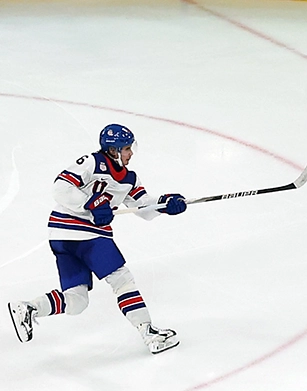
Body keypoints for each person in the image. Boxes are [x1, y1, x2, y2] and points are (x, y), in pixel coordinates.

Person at [8, 124, 188, 354]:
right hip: (84, 233)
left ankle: (30, 308)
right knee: (122, 279)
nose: (130, 153)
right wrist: (89, 203)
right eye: (126, 149)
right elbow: (61, 187)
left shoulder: (130, 179)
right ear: (113, 150)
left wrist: (165, 204)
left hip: (62, 237)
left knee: (77, 300)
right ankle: (149, 333)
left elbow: (143, 206)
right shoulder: (92, 162)